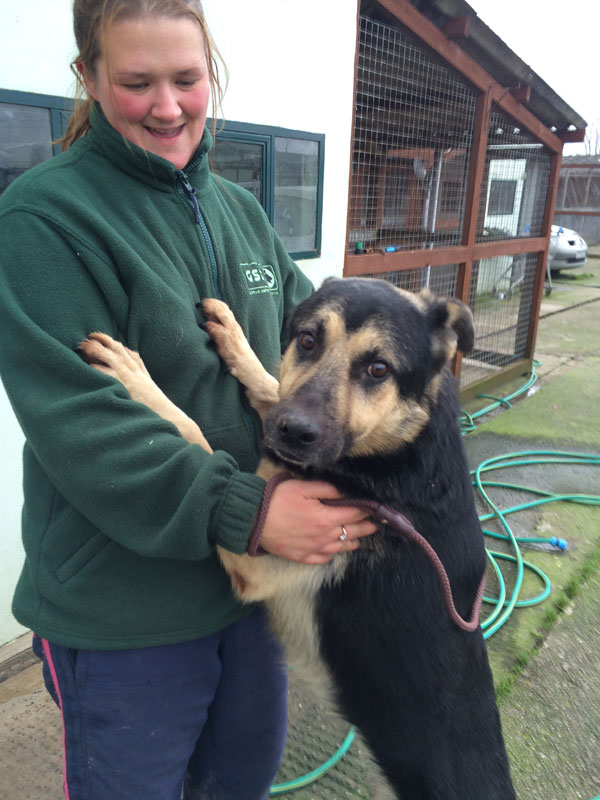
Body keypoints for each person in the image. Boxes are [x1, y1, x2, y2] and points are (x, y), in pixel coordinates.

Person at [0, 1, 377, 798]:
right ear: (88, 78)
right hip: (126, 616)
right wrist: (253, 511)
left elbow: (316, 356)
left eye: (185, 78)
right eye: (137, 82)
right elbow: (88, 429)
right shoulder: (42, 219)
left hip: (253, 595)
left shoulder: (240, 210)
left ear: (211, 71)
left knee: (240, 782)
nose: (167, 106)